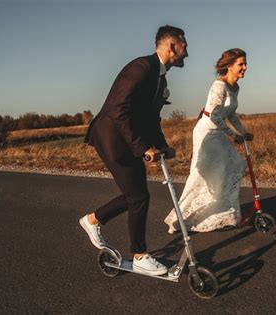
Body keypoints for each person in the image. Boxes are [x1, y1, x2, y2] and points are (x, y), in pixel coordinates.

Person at [79, 25, 188, 276]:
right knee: (138, 196)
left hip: (130, 139)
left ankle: (93, 220)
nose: (187, 53)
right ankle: (139, 256)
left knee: (137, 194)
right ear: (171, 46)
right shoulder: (141, 68)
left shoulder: (160, 78)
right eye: (185, 46)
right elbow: (119, 110)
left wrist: (161, 146)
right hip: (112, 139)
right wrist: (142, 148)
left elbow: (152, 119)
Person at [164, 48, 253, 233]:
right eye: (241, 64)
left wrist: (244, 132)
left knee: (234, 165)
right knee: (201, 176)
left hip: (218, 133)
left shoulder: (235, 87)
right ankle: (180, 219)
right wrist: (234, 136)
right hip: (207, 133)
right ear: (229, 66)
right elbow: (214, 116)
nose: (245, 67)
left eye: (245, 63)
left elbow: (230, 114)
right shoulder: (219, 86)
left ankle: (224, 213)